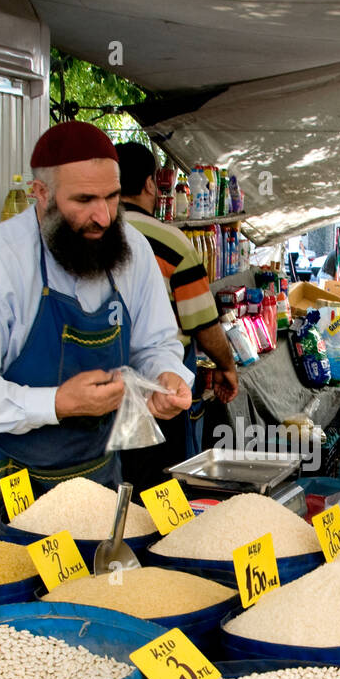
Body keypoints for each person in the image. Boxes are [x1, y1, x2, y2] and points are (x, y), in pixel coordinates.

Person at [0, 121, 192, 536]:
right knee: (7, 597)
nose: (102, 217)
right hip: (2, 481)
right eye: (84, 200)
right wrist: (55, 403)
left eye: (112, 197)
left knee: (92, 593)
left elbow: (155, 342)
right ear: (41, 194)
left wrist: (164, 375)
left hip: (93, 471)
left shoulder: (134, 251)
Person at [115, 142, 240, 489]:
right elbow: (202, 322)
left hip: (104, 386)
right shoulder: (171, 241)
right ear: (151, 184)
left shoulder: (89, 235)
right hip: (160, 386)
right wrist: (226, 367)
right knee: (160, 483)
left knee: (112, 487)